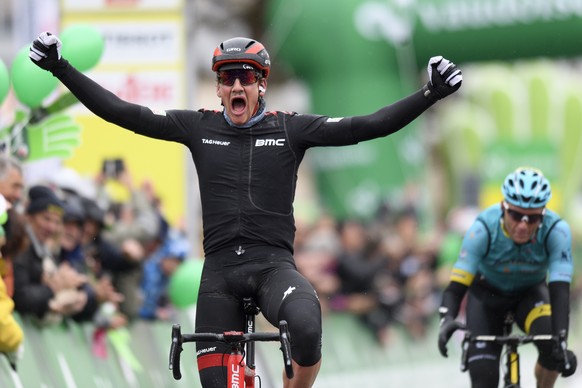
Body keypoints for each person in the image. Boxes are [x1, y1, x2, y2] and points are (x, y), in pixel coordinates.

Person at [29, 31, 462, 387]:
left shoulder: (291, 128)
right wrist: (60, 68)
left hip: (274, 267)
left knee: (308, 328)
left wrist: (429, 93)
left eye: (247, 77)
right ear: (218, 87)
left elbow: (366, 126)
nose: (237, 85)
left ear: (262, 84)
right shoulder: (196, 126)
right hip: (218, 274)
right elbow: (123, 112)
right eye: (228, 77)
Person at [437, 167, 577, 388]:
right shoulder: (482, 228)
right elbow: (456, 286)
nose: (523, 225)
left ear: (543, 214)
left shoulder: (556, 231)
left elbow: (560, 289)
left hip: (530, 296)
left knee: (552, 351)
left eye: (532, 218)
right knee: (484, 380)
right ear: (503, 208)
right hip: (487, 297)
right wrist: (446, 319)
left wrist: (561, 340)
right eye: (515, 215)